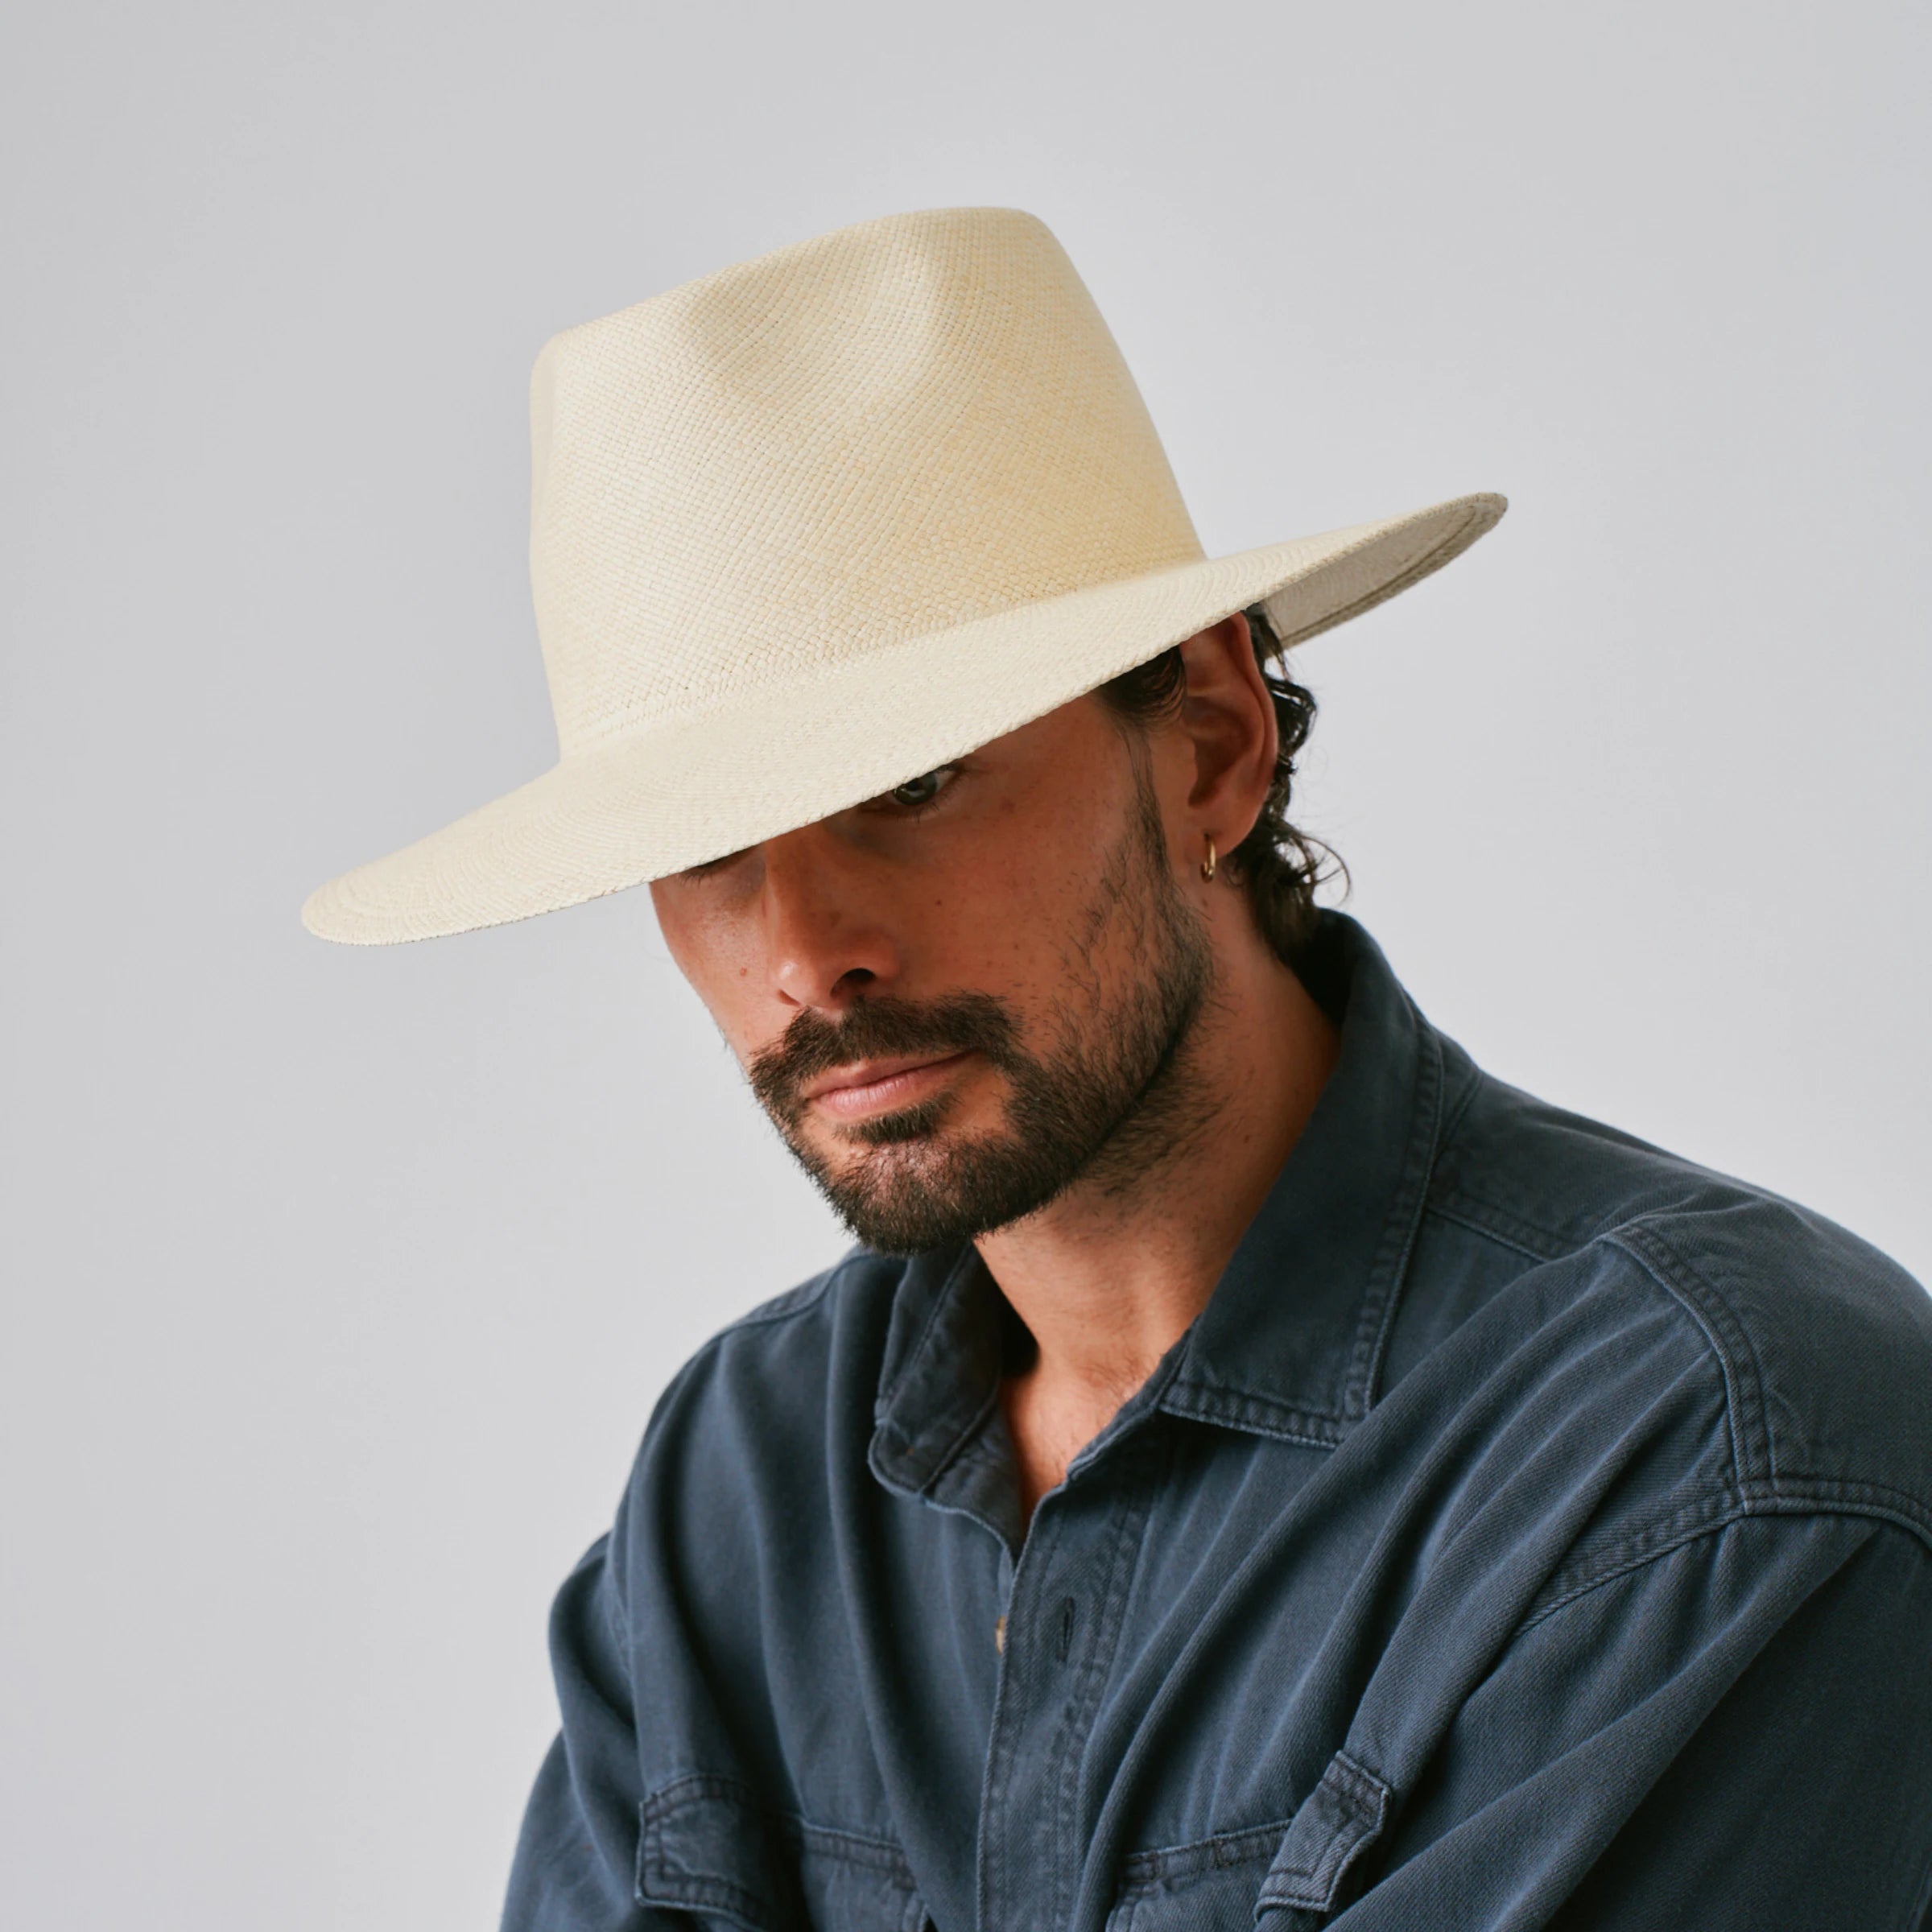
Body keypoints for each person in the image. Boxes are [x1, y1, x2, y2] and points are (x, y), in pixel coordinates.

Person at [303, 208, 1932, 1930]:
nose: (800, 951)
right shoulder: (747, 1484)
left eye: (912, 783)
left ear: (1214, 750)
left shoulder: (1710, 1447)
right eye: (706, 852)